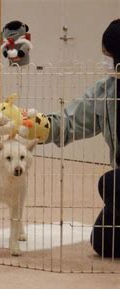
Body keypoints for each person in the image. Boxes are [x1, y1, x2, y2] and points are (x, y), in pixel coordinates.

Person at [45, 19, 120, 258]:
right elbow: (71, 120)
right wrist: (37, 126)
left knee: (111, 184)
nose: (105, 61)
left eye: (107, 55)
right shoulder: (106, 91)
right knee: (103, 243)